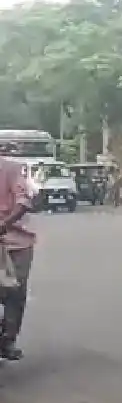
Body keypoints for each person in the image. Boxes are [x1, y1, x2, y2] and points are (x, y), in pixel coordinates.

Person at [0, 147, 35, 360]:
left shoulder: (12, 169)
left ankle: (8, 340)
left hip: (16, 242)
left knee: (15, 291)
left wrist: (5, 224)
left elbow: (24, 202)